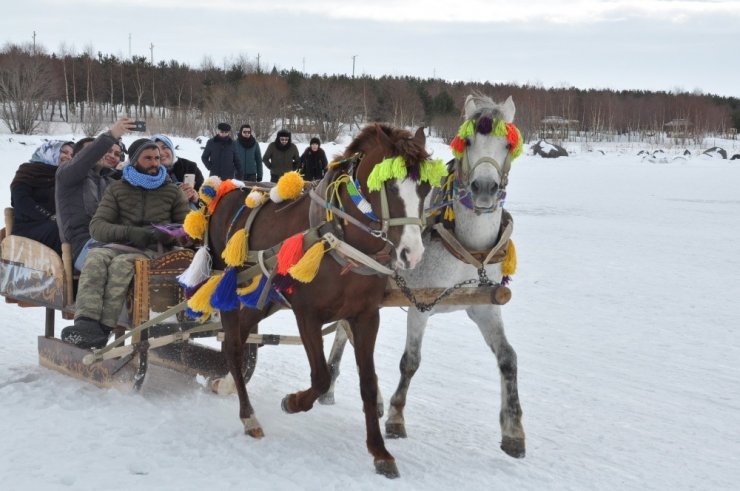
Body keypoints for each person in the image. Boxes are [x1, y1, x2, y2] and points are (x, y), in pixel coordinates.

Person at [60, 138, 190, 349]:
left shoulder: (172, 191)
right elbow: (97, 227)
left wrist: (167, 235)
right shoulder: (118, 189)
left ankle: (104, 329)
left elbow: (187, 227)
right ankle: (85, 323)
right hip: (120, 245)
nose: (155, 163)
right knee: (95, 258)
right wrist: (129, 232)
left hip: (154, 251)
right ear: (135, 160)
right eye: (148, 158)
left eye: (157, 158)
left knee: (122, 265)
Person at [56, 118, 133, 271]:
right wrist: (112, 134)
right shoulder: (66, 175)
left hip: (112, 242)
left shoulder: (110, 182)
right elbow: (85, 159)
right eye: (105, 150)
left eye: (116, 153)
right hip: (84, 247)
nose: (109, 154)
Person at [10, 140, 73, 254]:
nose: (69, 157)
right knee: (62, 230)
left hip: (53, 225)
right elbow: (21, 201)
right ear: (49, 151)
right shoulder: (28, 171)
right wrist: (49, 216)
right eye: (64, 152)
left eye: (71, 155)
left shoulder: (62, 176)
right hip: (28, 227)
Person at [152, 133, 204, 205]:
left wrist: (196, 199)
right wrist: (177, 198)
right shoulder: (150, 173)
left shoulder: (190, 167)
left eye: (165, 147)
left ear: (171, 149)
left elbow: (207, 201)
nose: (161, 153)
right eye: (156, 150)